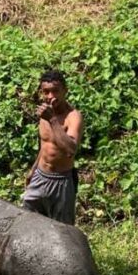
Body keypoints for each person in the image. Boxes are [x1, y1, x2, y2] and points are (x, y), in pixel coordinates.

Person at [21, 70, 84, 225]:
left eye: (55, 91)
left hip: (61, 181)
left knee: (63, 230)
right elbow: (45, 145)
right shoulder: (45, 112)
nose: (50, 96)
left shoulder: (73, 117)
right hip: (40, 176)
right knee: (28, 223)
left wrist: (53, 120)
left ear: (65, 91)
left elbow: (70, 149)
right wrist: (33, 170)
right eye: (46, 92)